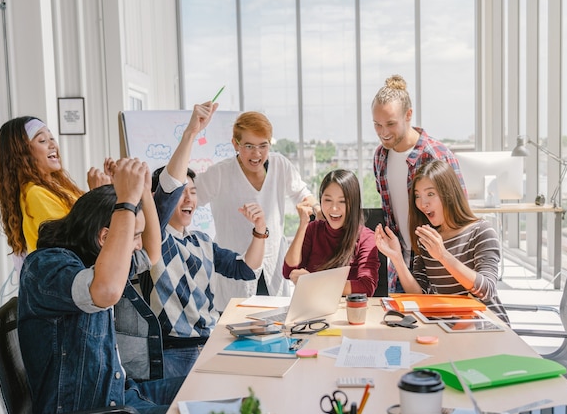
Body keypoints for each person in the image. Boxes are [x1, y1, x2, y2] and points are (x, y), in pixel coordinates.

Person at [17, 158, 184, 414]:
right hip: (97, 411)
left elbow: (152, 253)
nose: (137, 244)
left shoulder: (99, 259)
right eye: (134, 236)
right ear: (105, 237)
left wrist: (142, 192)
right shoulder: (47, 268)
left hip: (121, 396)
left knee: (207, 390)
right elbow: (105, 292)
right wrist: (126, 201)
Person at [143, 102, 266, 378]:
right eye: (182, 194)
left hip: (211, 342)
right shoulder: (156, 237)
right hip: (174, 352)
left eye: (194, 192)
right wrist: (191, 132)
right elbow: (167, 190)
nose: (188, 199)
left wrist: (260, 230)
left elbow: (244, 269)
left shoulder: (201, 241)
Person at [194, 111, 318, 311]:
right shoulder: (219, 174)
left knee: (277, 326)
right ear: (235, 144)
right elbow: (189, 199)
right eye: (249, 146)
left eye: (263, 146)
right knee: (236, 329)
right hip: (235, 271)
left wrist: (318, 208)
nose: (257, 154)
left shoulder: (280, 165)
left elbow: (302, 193)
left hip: (272, 267)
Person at [374, 160, 509, 324]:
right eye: (418, 196)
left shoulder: (481, 231)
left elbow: (486, 290)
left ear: (449, 193)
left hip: (488, 326)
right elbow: (420, 295)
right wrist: (397, 259)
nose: (423, 204)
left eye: (430, 194)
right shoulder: (428, 238)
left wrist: (443, 255)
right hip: (448, 326)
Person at [371, 74, 466, 293]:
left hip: (439, 268)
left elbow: (458, 218)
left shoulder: (436, 155)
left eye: (391, 124)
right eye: (377, 125)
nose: (383, 133)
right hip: (401, 267)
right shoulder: (380, 157)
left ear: (408, 115)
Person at [0, 116, 111, 266]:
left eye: (52, 138)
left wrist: (112, 191)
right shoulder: (35, 194)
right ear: (21, 154)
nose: (52, 144)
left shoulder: (60, 188)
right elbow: (74, 242)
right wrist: (100, 194)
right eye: (42, 140)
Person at [283, 169, 379, 297]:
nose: (334, 208)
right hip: (313, 308)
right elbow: (289, 271)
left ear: (354, 203)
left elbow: (366, 286)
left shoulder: (366, 238)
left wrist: (315, 281)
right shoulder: (312, 229)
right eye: (328, 200)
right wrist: (303, 225)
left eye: (342, 201)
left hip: (348, 311)